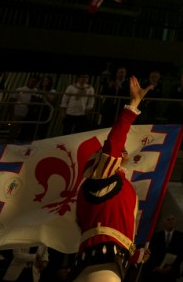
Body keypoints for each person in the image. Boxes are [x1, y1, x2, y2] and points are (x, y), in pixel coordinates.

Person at [73, 76, 152, 282]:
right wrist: (133, 106)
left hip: (104, 265)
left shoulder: (113, 186)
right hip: (102, 265)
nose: (121, 151)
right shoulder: (101, 177)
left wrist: (135, 255)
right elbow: (114, 141)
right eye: (106, 153)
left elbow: (115, 229)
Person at [146, 213, 183, 281]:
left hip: (172, 272)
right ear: (164, 222)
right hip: (156, 271)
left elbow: (182, 254)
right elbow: (151, 253)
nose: (171, 221)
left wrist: (171, 267)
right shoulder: (156, 236)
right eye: (168, 219)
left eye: (173, 219)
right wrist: (155, 267)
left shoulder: (181, 236)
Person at [10, 75, 40, 142]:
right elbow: (12, 100)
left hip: (29, 115)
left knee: (25, 133)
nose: (32, 83)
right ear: (28, 80)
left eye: (35, 82)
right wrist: (12, 113)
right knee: (13, 132)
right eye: (31, 81)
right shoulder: (20, 89)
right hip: (18, 112)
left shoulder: (36, 91)